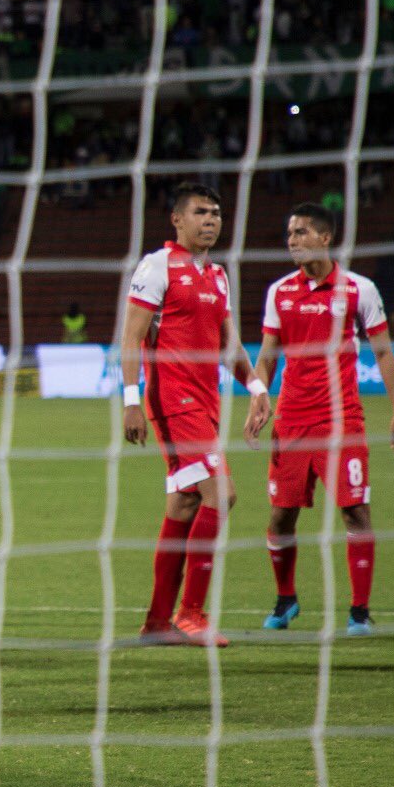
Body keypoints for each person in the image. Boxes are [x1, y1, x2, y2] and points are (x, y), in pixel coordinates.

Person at [244, 203, 394, 635]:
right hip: (292, 422)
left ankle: (359, 611)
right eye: (289, 234)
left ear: (325, 237)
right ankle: (285, 600)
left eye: (300, 232)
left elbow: (385, 352)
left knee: (355, 511)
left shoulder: (359, 289)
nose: (292, 240)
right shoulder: (279, 291)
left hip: (342, 422)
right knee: (281, 517)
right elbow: (266, 355)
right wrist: (258, 394)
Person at [122, 182, 271, 647]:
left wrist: (257, 386)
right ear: (178, 220)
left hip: (206, 405)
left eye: (216, 214)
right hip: (172, 401)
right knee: (220, 493)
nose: (211, 221)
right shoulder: (156, 266)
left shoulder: (219, 276)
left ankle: (156, 623)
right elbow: (131, 338)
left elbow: (230, 344)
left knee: (185, 504)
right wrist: (131, 399)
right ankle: (192, 614)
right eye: (201, 213)